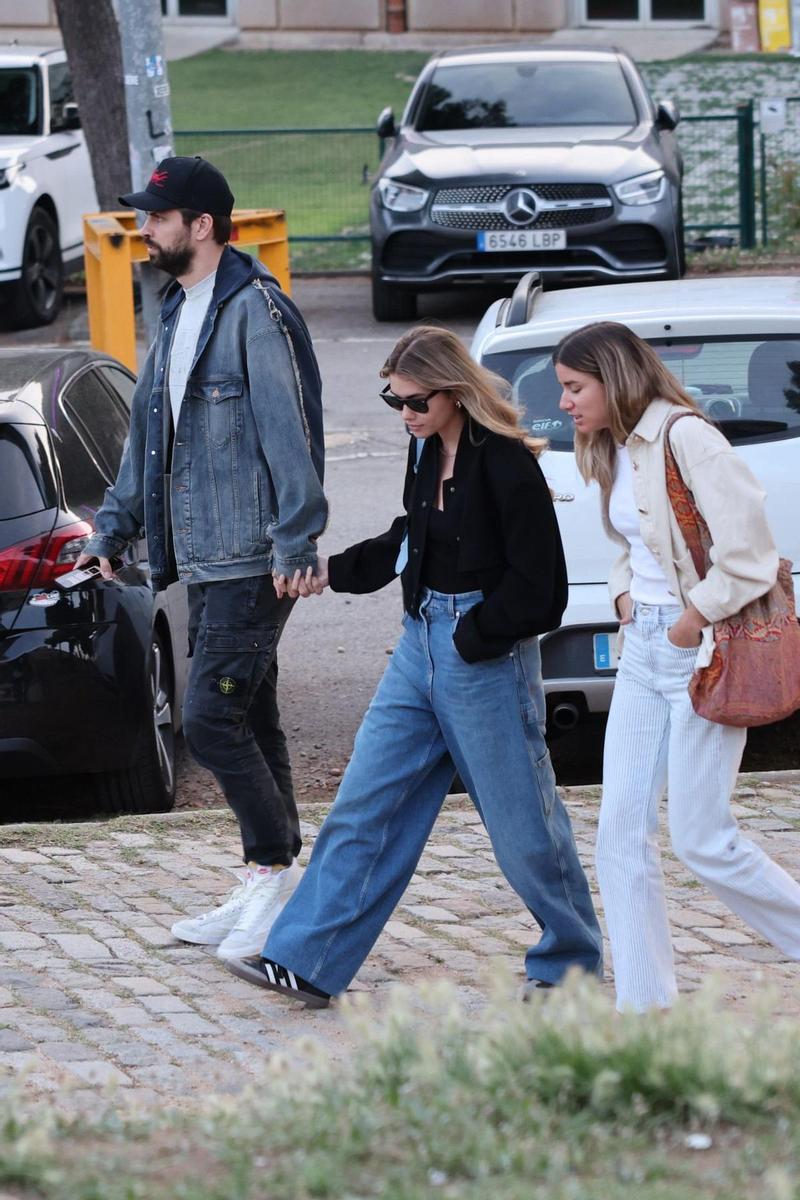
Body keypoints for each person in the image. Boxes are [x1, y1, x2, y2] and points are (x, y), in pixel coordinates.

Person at [224, 324, 603, 1007]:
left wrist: (469, 639)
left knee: (523, 828)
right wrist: (331, 571)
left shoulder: (508, 464)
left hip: (480, 658)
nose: (405, 414)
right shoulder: (425, 450)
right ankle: (306, 960)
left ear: (453, 392)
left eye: (415, 401)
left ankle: (569, 965)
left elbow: (541, 590)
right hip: (416, 646)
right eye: (393, 400)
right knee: (364, 806)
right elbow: (412, 537)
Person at [77, 156, 327, 960]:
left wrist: (297, 541)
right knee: (253, 717)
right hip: (206, 556)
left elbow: (291, 435)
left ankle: (270, 873)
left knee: (210, 724)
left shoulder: (257, 311)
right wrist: (112, 532)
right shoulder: (177, 312)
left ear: (203, 225)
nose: (145, 228)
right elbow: (149, 441)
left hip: (254, 556)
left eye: (157, 216)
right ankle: (271, 882)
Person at [553, 320, 800, 1013]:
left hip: (706, 649)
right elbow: (641, 540)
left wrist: (695, 616)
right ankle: (645, 1009)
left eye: (575, 387)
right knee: (619, 836)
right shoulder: (614, 447)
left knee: (703, 838)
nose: (566, 403)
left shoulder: (686, 436)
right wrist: (625, 590)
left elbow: (749, 553)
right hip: (642, 651)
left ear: (613, 377)